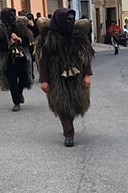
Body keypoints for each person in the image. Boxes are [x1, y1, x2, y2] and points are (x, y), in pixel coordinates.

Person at [35, 9, 94, 147]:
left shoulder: (78, 36)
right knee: (62, 104)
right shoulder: (47, 38)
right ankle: (68, 133)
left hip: (77, 73)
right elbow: (42, 60)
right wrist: (44, 80)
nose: (71, 22)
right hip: (56, 75)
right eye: (68, 20)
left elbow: (86, 56)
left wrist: (87, 75)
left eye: (72, 19)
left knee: (77, 102)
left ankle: (69, 123)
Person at [0, 8, 34, 111]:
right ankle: (16, 102)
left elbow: (28, 40)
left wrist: (19, 40)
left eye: (13, 15)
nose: (12, 17)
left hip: (21, 57)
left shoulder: (20, 26)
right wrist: (8, 43)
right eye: (10, 15)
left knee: (24, 77)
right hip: (6, 58)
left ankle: (19, 92)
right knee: (12, 80)